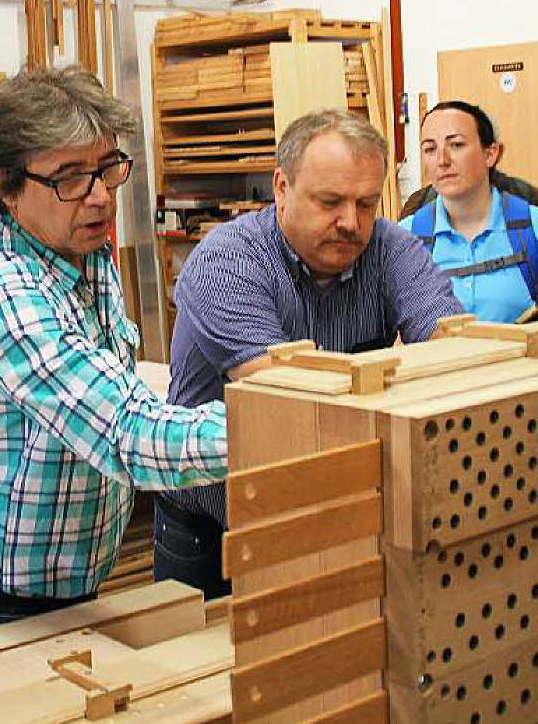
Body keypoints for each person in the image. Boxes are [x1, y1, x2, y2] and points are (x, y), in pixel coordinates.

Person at [0, 67, 229, 641]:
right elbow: (124, 433)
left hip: (69, 593)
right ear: (6, 185)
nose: (100, 197)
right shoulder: (5, 294)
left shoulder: (85, 258)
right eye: (70, 179)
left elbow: (119, 394)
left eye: (108, 170)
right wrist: (279, 423)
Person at [154, 109, 464, 598]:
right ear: (281, 187)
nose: (350, 223)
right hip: (212, 525)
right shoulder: (228, 260)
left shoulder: (391, 250)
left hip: (334, 511)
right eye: (330, 202)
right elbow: (290, 403)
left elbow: (454, 351)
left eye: (366, 204)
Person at [400, 101, 538, 322]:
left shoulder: (537, 228)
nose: (442, 160)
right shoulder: (404, 239)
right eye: (430, 149)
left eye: (456, 145)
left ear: (490, 154)